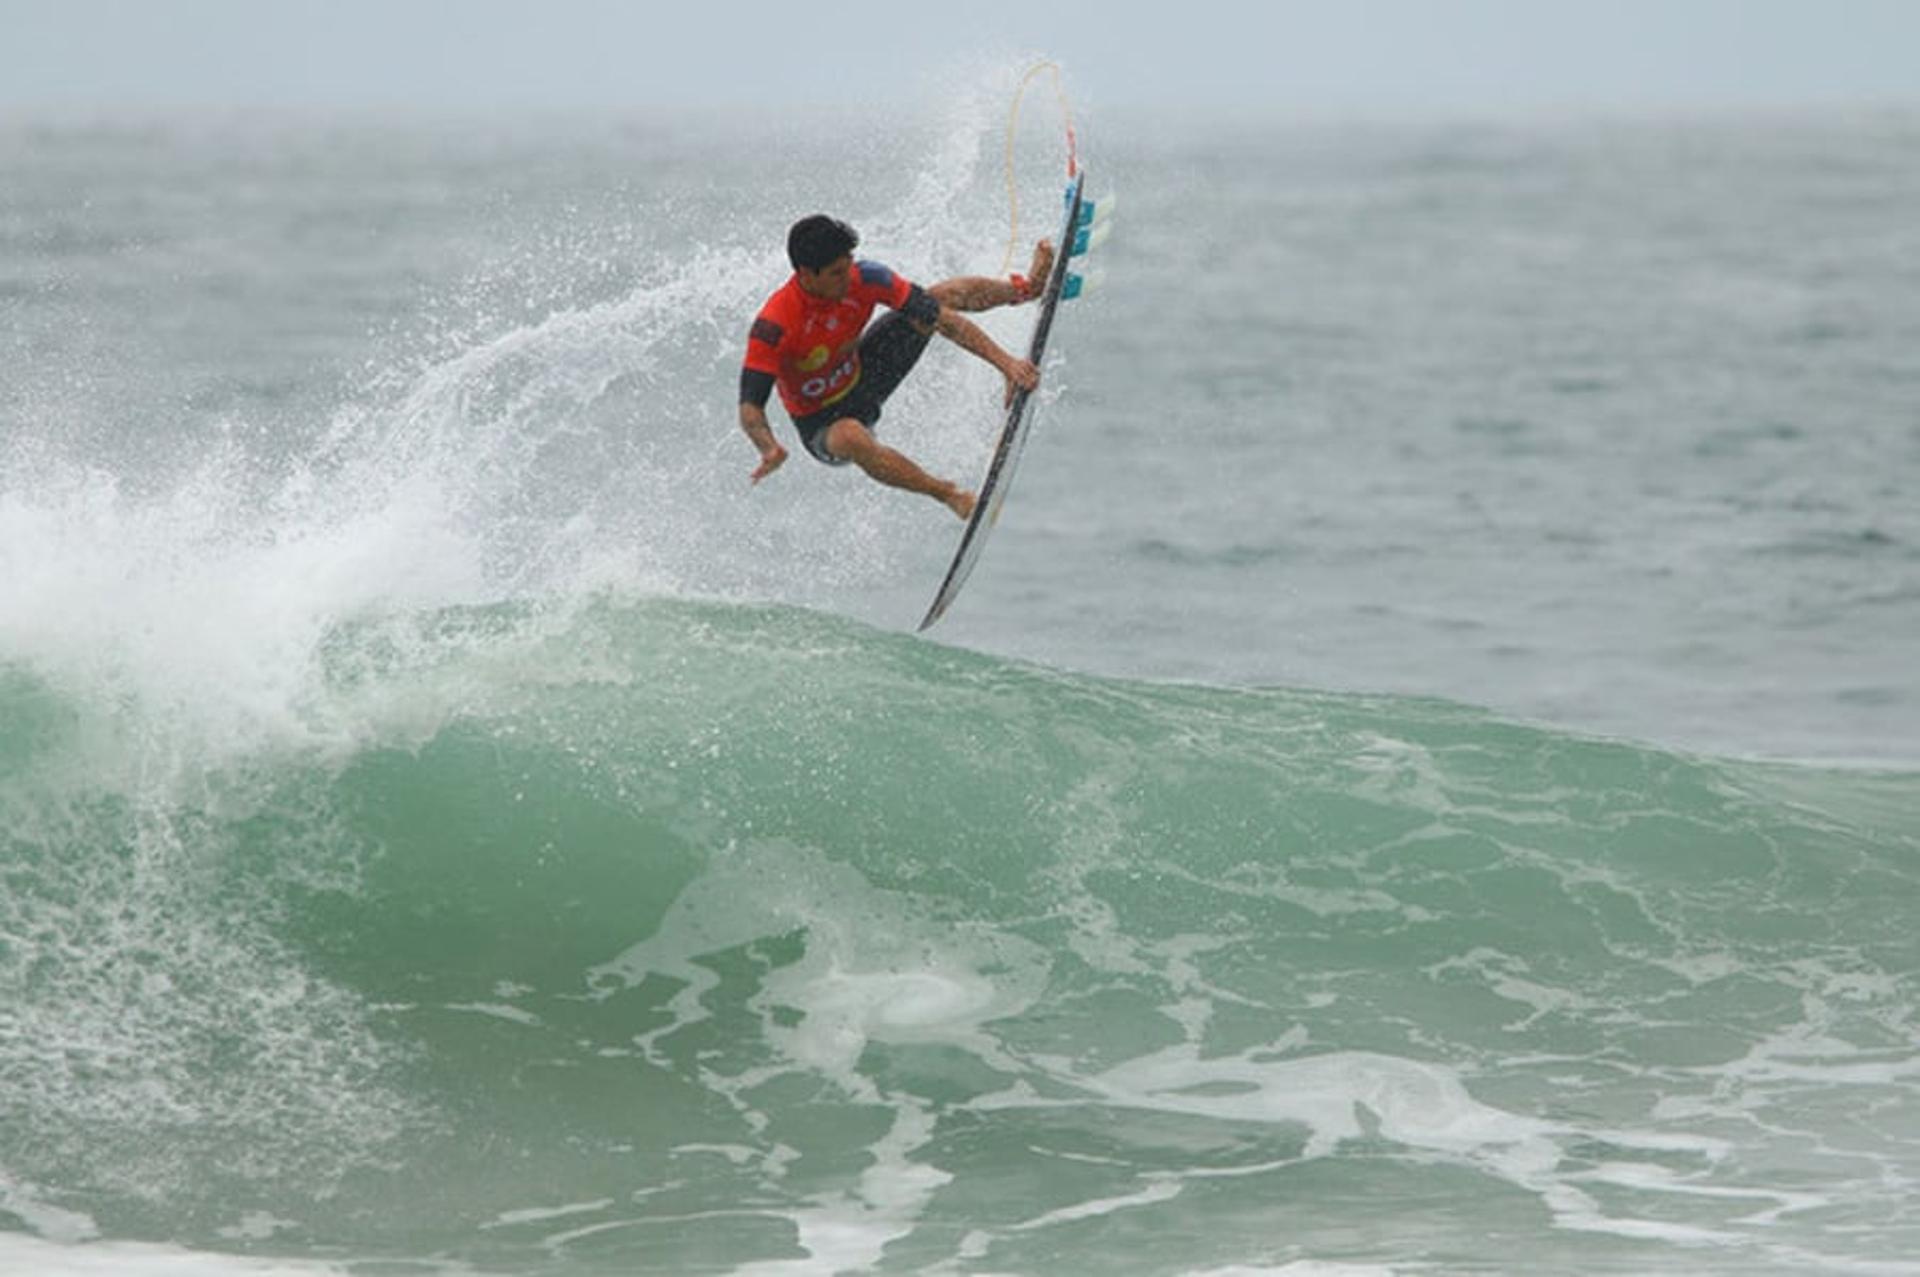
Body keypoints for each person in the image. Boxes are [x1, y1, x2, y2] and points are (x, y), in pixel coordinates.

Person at [738, 214, 1052, 520]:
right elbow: (751, 409)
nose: (848, 279)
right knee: (851, 437)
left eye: (849, 265)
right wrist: (768, 448)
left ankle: (1025, 290)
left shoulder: (867, 278)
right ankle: (949, 494)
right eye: (836, 273)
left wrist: (1007, 365)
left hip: (866, 374)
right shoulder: (775, 325)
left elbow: (942, 319)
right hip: (821, 422)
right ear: (806, 274)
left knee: (934, 301)